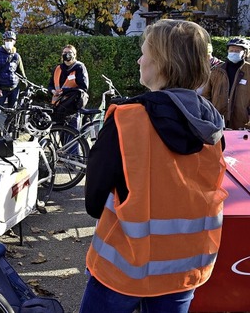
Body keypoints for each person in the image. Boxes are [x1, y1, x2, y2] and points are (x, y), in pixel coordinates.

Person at [80, 19, 227, 313]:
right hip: (185, 268)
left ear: (161, 63)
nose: (139, 59)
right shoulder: (212, 125)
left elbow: (94, 202)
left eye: (144, 52)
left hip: (123, 271)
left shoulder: (126, 119)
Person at [0, 30, 26, 138]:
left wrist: (26, 87)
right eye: (7, 40)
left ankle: (8, 134)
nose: (9, 42)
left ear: (14, 42)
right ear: (3, 41)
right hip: (1, 89)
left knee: (12, 114)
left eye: (11, 40)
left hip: (14, 89)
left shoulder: (17, 56)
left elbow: (21, 72)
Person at [201, 37, 250, 130]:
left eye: (237, 51)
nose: (233, 53)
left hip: (242, 123)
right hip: (218, 120)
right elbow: (206, 96)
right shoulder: (217, 70)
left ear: (245, 53)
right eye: (231, 50)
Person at [48, 44, 89, 128]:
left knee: (72, 134)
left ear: (74, 55)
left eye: (69, 52)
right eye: (64, 52)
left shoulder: (79, 67)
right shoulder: (58, 68)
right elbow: (50, 85)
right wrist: (53, 91)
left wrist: (65, 92)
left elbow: (83, 87)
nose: (66, 54)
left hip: (72, 107)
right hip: (58, 106)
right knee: (59, 133)